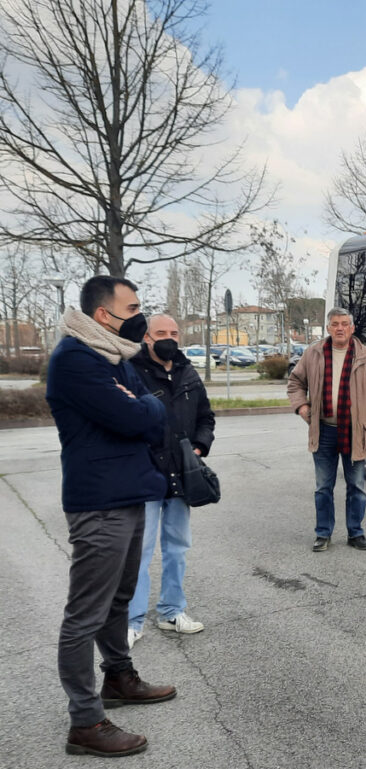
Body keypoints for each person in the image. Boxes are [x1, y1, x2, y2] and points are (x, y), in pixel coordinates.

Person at [46, 276, 177, 757]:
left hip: (128, 491)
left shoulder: (114, 357)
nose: (141, 314)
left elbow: (150, 405)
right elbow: (137, 417)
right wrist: (141, 408)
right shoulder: (75, 360)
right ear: (105, 314)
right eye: (134, 306)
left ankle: (119, 678)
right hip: (98, 501)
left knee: (120, 597)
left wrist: (141, 406)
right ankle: (85, 722)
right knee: (86, 613)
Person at [127, 314, 215, 647]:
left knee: (177, 548)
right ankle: (132, 621)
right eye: (161, 332)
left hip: (182, 477)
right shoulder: (131, 371)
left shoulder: (188, 372)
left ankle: (171, 612)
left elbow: (206, 417)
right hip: (145, 475)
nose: (169, 337)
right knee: (140, 552)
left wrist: (199, 445)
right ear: (146, 337)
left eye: (174, 332)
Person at [287, 307, 366, 552]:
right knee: (323, 486)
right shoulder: (313, 353)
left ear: (352, 328)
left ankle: (356, 533)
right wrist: (302, 407)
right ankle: (323, 533)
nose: (340, 328)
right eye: (335, 324)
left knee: (357, 486)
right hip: (323, 431)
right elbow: (295, 383)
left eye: (345, 323)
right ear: (328, 328)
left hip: (356, 431)